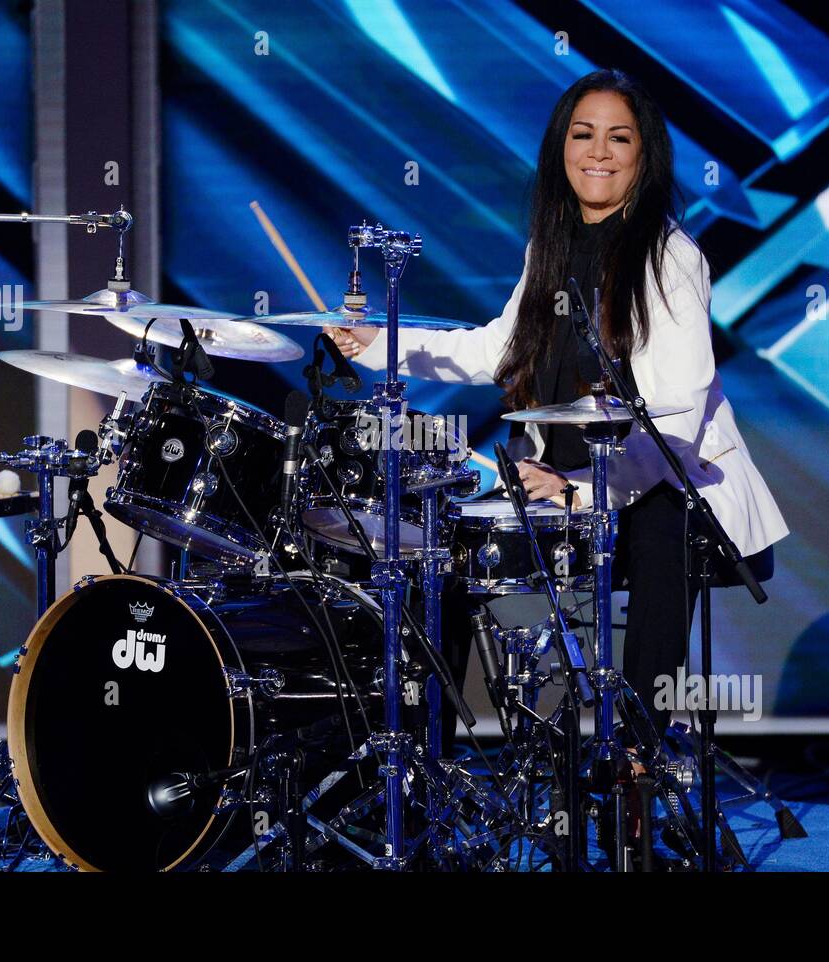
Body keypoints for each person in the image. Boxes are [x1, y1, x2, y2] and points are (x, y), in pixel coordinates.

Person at [327, 68, 788, 740]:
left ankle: (636, 760)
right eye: (583, 134)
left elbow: (678, 413)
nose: (598, 152)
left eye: (618, 138)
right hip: (564, 491)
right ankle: (421, 765)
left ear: (643, 156)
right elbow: (498, 351)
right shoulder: (550, 246)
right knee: (441, 550)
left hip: (670, 486)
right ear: (560, 149)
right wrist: (379, 344)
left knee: (664, 528)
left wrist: (582, 487)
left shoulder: (670, 258)